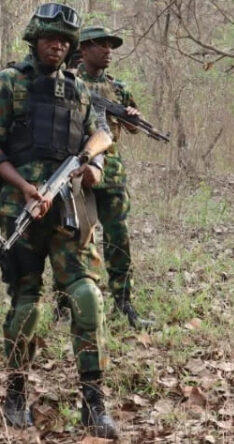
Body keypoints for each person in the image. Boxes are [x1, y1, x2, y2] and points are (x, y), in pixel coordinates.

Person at [0, 3, 118, 439]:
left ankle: (94, 404)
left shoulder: (79, 90)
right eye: (49, 38)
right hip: (21, 208)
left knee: (87, 297)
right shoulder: (7, 83)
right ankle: (16, 393)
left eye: (63, 40)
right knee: (26, 304)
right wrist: (24, 186)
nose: (56, 45)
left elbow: (100, 138)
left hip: (71, 209)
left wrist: (93, 170)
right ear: (35, 40)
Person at [74, 26, 153, 329]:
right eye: (101, 45)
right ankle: (68, 302)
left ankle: (124, 303)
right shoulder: (68, 81)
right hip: (77, 169)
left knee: (118, 237)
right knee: (75, 237)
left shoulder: (117, 88)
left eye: (111, 46)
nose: (108, 51)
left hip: (112, 171)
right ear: (84, 49)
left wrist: (131, 117)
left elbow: (135, 126)